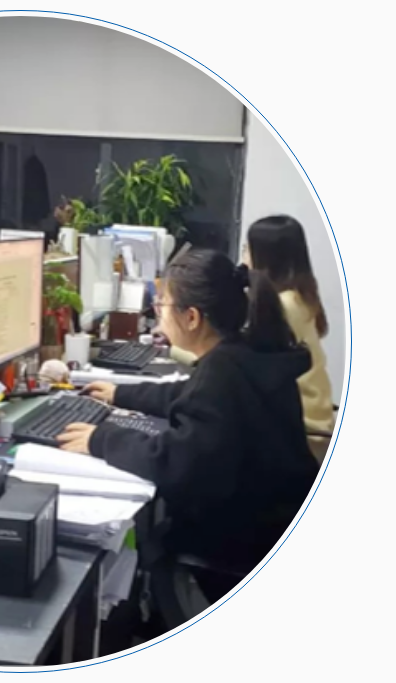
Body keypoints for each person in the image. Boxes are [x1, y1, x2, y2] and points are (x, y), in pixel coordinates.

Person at [57, 249, 319, 603]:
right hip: (277, 524)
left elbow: (176, 464)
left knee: (151, 540)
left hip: (239, 549)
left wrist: (101, 439)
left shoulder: (221, 372)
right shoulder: (244, 355)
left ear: (191, 317)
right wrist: (121, 394)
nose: (158, 314)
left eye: (162, 306)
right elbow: (187, 394)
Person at [245, 215, 334, 462]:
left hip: (305, 430)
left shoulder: (283, 305)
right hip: (316, 418)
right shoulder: (300, 296)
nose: (244, 256)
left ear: (265, 256)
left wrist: (172, 347)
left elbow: (238, 357)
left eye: (247, 248)